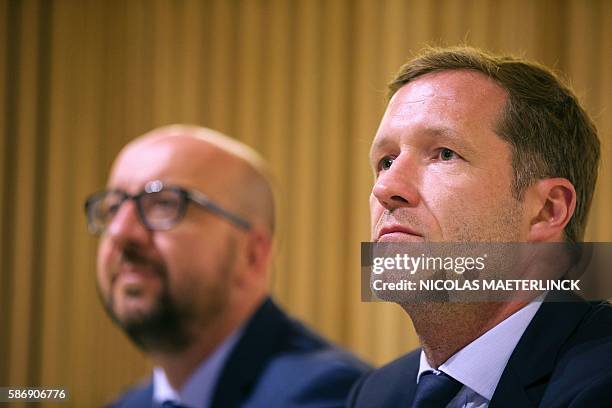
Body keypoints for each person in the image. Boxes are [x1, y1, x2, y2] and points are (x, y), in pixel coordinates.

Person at [348, 47, 612, 407]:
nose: (386, 188)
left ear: (548, 210)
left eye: (443, 153)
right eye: (386, 161)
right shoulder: (376, 395)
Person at [85, 125, 370, 408]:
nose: (121, 232)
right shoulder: (128, 404)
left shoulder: (332, 396)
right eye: (113, 208)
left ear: (252, 254)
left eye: (164, 204)